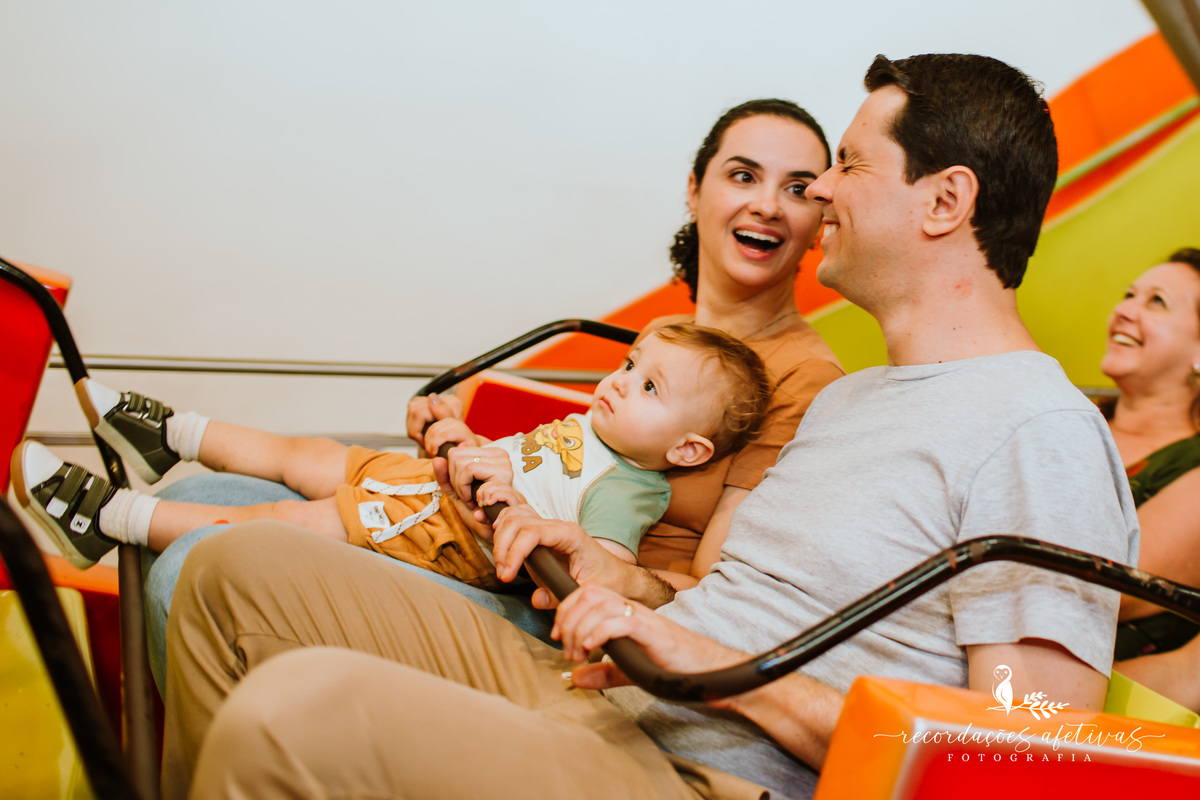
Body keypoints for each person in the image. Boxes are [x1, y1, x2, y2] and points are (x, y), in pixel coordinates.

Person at [160, 53, 1139, 799]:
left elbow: (1022, 754)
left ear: (945, 200)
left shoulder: (1035, 429)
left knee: (292, 715)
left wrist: (725, 676)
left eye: (846, 163)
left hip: (710, 771)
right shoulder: (855, 399)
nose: (822, 192)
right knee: (226, 574)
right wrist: (614, 571)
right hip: (620, 689)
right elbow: (724, 597)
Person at [138, 97, 845, 681]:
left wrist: (601, 570)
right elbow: (566, 463)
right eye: (743, 176)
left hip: (555, 605)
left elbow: (722, 598)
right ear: (696, 191)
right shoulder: (666, 336)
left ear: (822, 217)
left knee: (193, 568)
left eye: (798, 188)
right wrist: (462, 448)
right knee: (196, 500)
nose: (769, 207)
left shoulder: (806, 384)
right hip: (492, 538)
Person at [15, 323, 772, 588]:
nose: (618, 381)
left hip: (442, 532)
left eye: (647, 385)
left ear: (689, 447)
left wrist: (501, 495)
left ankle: (112, 519)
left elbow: (589, 564)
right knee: (304, 453)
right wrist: (458, 434)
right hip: (434, 484)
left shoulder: (631, 490)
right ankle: (166, 435)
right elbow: (520, 467)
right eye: (629, 362)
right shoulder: (597, 428)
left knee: (289, 519)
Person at [1094, 249, 1200, 660]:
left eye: (1157, 302)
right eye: (1129, 294)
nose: (1124, 310)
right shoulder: (1068, 413)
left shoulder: (1192, 467)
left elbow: (1099, 593)